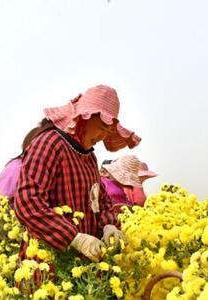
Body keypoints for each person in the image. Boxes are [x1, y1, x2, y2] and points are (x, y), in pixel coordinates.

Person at [14, 85, 141, 263]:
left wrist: (108, 225)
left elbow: (101, 200)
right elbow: (27, 203)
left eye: (108, 131)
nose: (102, 136)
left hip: (82, 266)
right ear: (84, 118)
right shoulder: (50, 144)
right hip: (49, 263)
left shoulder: (89, 157)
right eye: (101, 127)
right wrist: (73, 238)